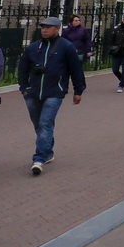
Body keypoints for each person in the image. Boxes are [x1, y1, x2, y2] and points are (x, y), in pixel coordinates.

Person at [17, 17, 86, 175]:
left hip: (55, 92)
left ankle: (39, 159)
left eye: (48, 27)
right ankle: (47, 151)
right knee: (39, 125)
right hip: (32, 93)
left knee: (45, 123)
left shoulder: (66, 47)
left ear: (57, 29)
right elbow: (22, 68)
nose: (44, 30)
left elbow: (75, 70)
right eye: (42, 27)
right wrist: (24, 88)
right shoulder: (33, 47)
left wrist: (78, 91)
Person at [102, 13, 124, 92]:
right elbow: (112, 38)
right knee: (115, 69)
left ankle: (121, 85)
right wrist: (111, 46)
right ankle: (122, 79)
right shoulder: (118, 28)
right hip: (117, 51)